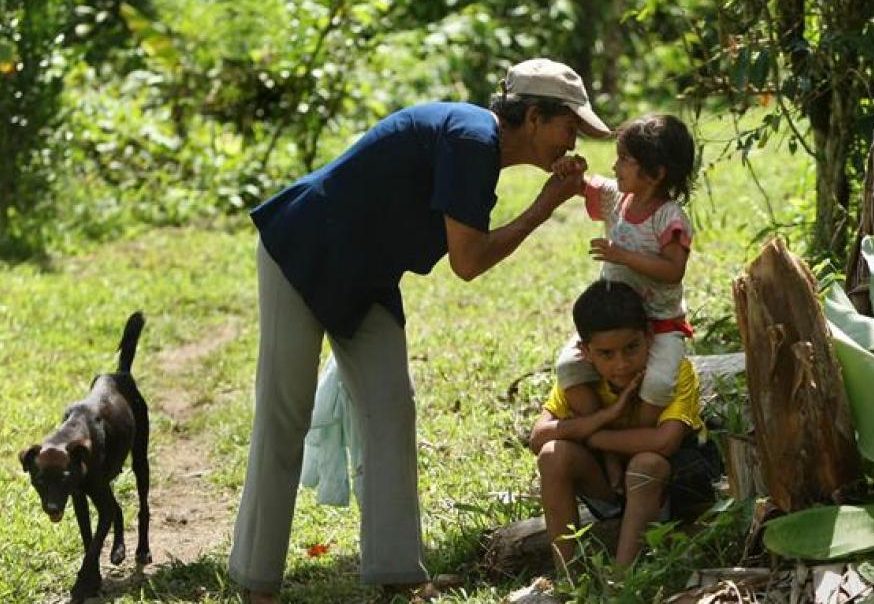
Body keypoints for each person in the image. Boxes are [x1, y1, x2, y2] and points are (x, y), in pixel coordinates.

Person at [228, 58, 611, 603]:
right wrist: (543, 207)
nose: (572, 141)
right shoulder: (473, 140)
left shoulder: (481, 146)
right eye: (568, 127)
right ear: (531, 117)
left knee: (391, 408)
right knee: (284, 412)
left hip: (368, 273)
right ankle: (256, 580)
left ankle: (398, 571)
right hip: (305, 250)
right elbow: (469, 261)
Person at [530, 279, 719, 571]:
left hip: (671, 491)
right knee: (553, 455)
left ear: (649, 337)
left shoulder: (673, 373)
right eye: (606, 354)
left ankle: (621, 582)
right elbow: (538, 437)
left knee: (645, 464)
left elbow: (664, 442)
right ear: (585, 352)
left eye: (631, 348)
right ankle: (567, 580)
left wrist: (593, 437)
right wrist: (604, 416)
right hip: (611, 489)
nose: (621, 364)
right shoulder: (582, 380)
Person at [552, 114, 697, 434]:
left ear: (656, 173)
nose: (615, 167)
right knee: (569, 367)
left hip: (659, 323)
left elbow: (673, 271)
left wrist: (623, 256)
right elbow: (581, 184)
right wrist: (569, 169)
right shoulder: (615, 199)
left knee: (658, 382)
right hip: (613, 321)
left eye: (625, 160)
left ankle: (634, 437)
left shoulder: (669, 218)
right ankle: (608, 430)